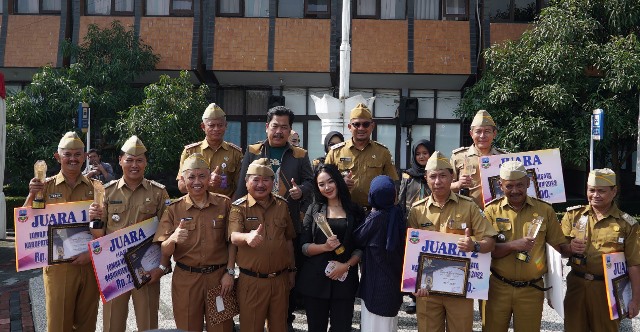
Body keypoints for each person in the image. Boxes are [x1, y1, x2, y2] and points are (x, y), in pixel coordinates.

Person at [233, 105, 314, 328]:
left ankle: (283, 320)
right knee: (254, 270)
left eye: (284, 127)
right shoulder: (254, 151)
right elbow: (242, 186)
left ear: (290, 130)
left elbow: (311, 182)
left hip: (286, 222)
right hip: (254, 220)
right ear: (267, 126)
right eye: (275, 126)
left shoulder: (300, 155)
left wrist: (302, 191)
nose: (279, 131)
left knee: (285, 275)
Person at [88, 135, 170, 332]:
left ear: (146, 162)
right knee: (112, 323)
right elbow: (98, 236)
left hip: (146, 267)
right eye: (130, 160)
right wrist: (94, 219)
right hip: (115, 268)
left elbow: (166, 231)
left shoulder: (158, 193)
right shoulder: (106, 192)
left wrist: (161, 266)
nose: (135, 165)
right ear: (120, 160)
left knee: (148, 322)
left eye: (139, 160)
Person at [408, 151, 497, 332]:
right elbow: (410, 252)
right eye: (433, 176)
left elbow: (490, 241)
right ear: (426, 178)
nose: (438, 181)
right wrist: (413, 284)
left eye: (443, 176)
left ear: (452, 177)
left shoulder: (469, 206)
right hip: (428, 290)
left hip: (459, 289)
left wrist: (475, 245)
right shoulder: (417, 211)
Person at [482, 161, 571, 332]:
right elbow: (487, 251)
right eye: (509, 186)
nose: (515, 190)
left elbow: (555, 251)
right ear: (500, 185)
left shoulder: (545, 210)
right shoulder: (491, 211)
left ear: (528, 182)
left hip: (532, 290)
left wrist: (554, 292)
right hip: (498, 288)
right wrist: (513, 245)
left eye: (520, 185)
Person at [24, 131, 99, 332]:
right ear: (58, 157)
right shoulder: (44, 188)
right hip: (58, 268)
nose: (73, 159)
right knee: (58, 324)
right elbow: (27, 222)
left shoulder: (96, 188)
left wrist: (91, 253)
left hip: (89, 264)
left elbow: (105, 227)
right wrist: (31, 195)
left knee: (87, 324)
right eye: (68, 154)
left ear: (84, 157)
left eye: (77, 154)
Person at [154, 153, 236, 332]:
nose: (196, 181)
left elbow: (232, 242)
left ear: (209, 178)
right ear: (183, 180)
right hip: (187, 280)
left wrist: (230, 272)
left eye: (202, 176)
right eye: (191, 177)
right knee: (188, 328)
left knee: (222, 328)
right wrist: (173, 238)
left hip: (219, 278)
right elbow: (165, 250)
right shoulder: (174, 209)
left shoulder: (224, 204)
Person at [561, 168, 640, 331]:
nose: (595, 195)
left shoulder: (627, 224)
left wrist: (635, 300)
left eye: (601, 191)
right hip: (576, 284)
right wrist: (569, 248)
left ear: (614, 191)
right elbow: (558, 250)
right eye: (592, 190)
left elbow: (634, 264)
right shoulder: (573, 215)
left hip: (609, 290)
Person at [229, 158, 297, 332]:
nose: (261, 184)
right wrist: (247, 237)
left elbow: (288, 239)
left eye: (266, 180)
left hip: (280, 279)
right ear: (246, 181)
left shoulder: (282, 205)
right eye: (256, 180)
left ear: (273, 183)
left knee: (279, 327)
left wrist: (292, 270)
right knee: (251, 328)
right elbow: (234, 237)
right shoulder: (239, 207)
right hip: (252, 281)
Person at [298, 164, 364, 332]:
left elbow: (360, 247)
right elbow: (304, 247)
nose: (327, 187)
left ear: (338, 181)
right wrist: (324, 247)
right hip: (315, 280)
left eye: (330, 181)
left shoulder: (355, 210)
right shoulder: (313, 210)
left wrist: (347, 265)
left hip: (344, 280)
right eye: (321, 184)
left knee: (342, 328)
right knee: (316, 328)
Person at [353, 175, 405, 332]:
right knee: (389, 326)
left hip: (375, 285)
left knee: (373, 326)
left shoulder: (376, 217)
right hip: (393, 281)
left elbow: (357, 237)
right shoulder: (398, 214)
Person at [324, 103, 399, 210]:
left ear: (372, 126)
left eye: (366, 124)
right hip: (344, 211)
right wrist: (339, 183)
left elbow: (392, 184)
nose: (361, 128)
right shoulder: (335, 152)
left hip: (374, 212)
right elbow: (323, 181)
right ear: (349, 127)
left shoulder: (383, 152)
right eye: (356, 124)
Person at [177, 103, 243, 198]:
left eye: (220, 125)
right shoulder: (190, 152)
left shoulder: (235, 153)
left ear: (226, 126)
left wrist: (231, 207)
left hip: (224, 208)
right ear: (203, 127)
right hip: (196, 208)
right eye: (211, 125)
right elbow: (181, 186)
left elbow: (240, 188)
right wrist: (206, 182)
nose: (216, 129)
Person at [398, 139, 434, 314]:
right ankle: (413, 296)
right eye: (418, 153)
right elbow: (401, 199)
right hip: (411, 222)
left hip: (431, 222)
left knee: (428, 257)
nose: (421, 156)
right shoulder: (408, 175)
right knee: (412, 258)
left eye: (425, 153)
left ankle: (431, 289)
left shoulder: (436, 174)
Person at [450, 109, 506, 208]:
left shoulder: (503, 158)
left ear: (494, 134)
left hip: (497, 212)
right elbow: (445, 187)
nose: (482, 136)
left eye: (487, 131)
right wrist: (459, 184)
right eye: (478, 131)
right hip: (467, 212)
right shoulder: (459, 156)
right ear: (471, 134)